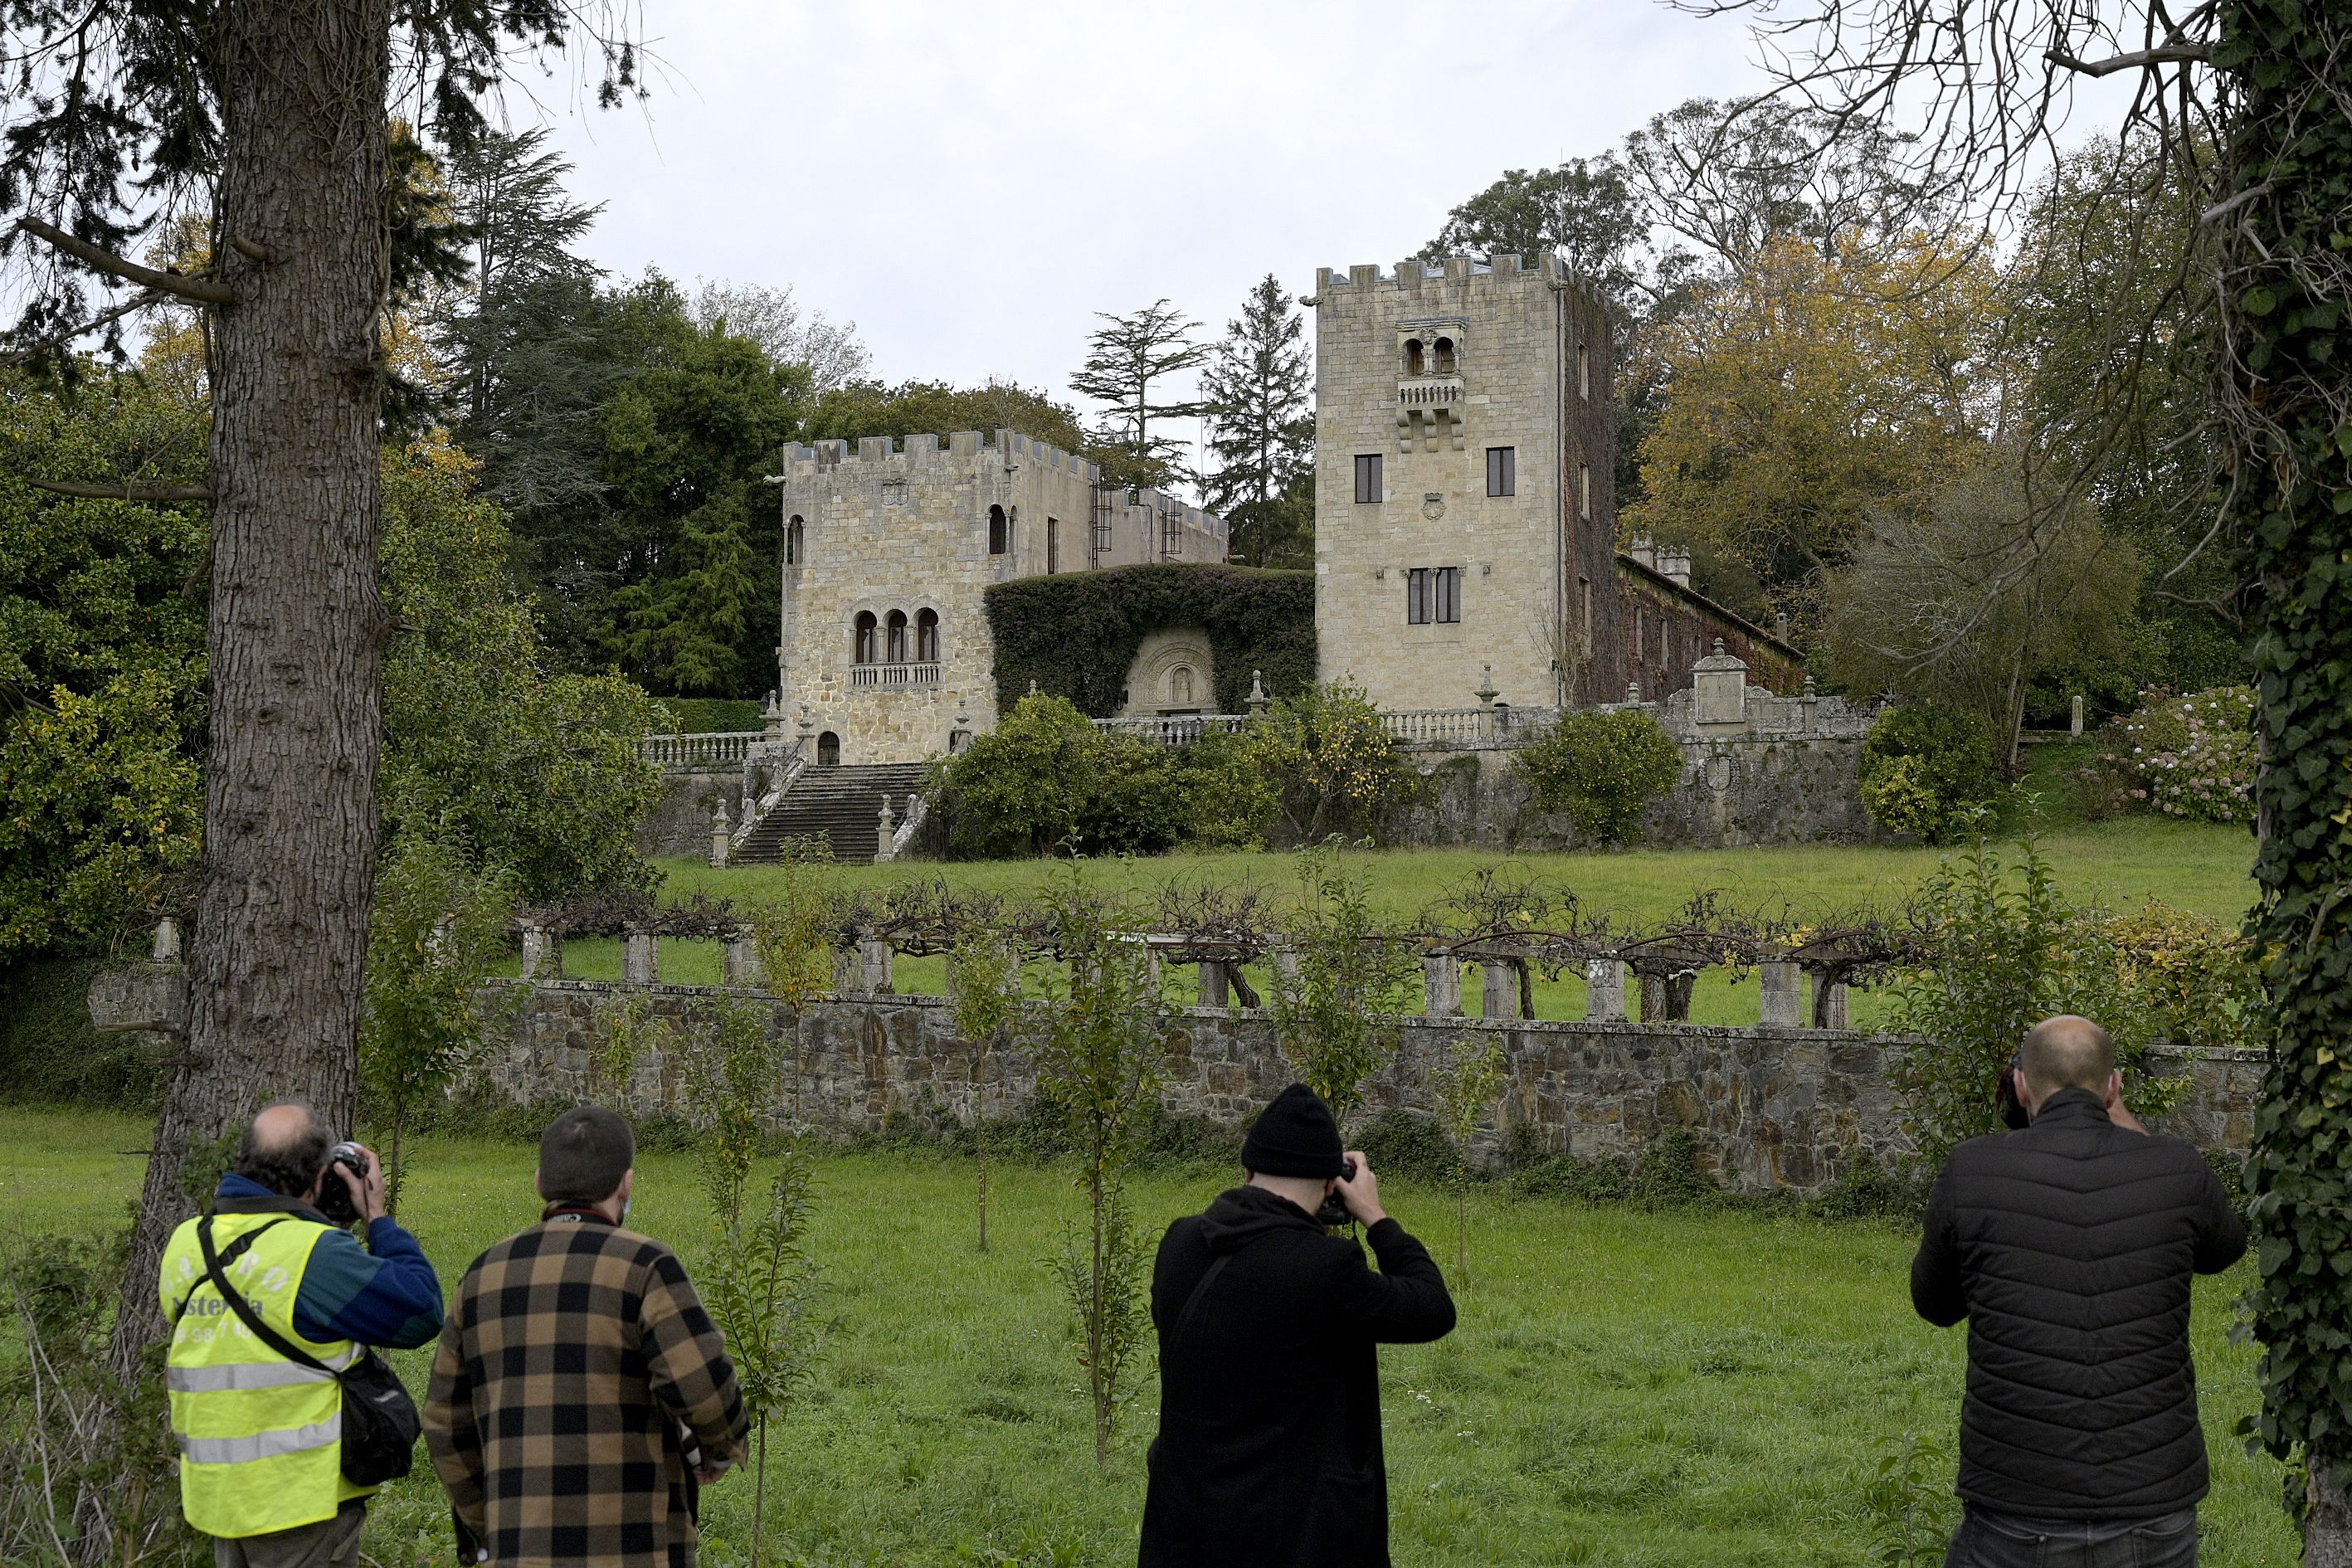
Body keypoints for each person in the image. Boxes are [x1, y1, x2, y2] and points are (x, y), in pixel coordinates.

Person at [1913, 1015, 2248, 1567]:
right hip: (2150, 1494)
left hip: (2018, 1495)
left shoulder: (1971, 1169)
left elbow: (1934, 1305)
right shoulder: (2175, 1169)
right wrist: (2122, 1121)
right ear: (2113, 1086)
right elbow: (2225, 1250)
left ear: (2021, 1084)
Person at [1138, 1083, 1456, 1568]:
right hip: (1286, 1535)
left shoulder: (1180, 1243)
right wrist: (1375, 1216)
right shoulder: (1325, 1270)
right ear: (1332, 1185)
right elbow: (1433, 1307)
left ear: (1247, 1171)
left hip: (1183, 1529)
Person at [424, 1105, 748, 1568]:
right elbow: (705, 1389)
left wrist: (489, 1523)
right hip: (637, 1551)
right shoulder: (646, 1267)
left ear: (540, 1183)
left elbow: (442, 1423)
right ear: (626, 1184)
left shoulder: (482, 1276)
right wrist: (720, 1451)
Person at [160, 1102, 445, 1568]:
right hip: (298, 1504)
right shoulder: (314, 1255)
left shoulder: (187, 1243)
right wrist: (377, 1217)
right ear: (317, 1177)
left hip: (219, 1501)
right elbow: (420, 1311)